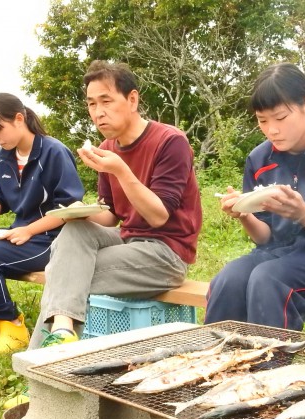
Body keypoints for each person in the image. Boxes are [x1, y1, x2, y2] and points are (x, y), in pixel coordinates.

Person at [30, 60, 202, 347]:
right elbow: (111, 216)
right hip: (128, 242)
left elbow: (159, 216)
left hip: (166, 253)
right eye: (91, 104)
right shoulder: (107, 148)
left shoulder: (170, 142)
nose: (98, 112)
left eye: (106, 101)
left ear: (132, 99)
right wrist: (76, 214)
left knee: (64, 276)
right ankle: (62, 331)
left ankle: (41, 372)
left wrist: (121, 170)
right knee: (73, 234)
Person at [204, 63, 305, 331]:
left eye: (280, 118)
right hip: (282, 253)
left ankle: (270, 369)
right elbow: (266, 239)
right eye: (262, 120)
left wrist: (304, 215)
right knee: (228, 279)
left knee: (270, 279)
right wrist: (245, 214)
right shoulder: (260, 159)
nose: (271, 130)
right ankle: (217, 368)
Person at [0, 93, 85, 355]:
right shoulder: (5, 156)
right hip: (21, 232)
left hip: (51, 238)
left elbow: (70, 209)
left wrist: (30, 230)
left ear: (19, 119)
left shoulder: (53, 151)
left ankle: (12, 325)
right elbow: (1, 196)